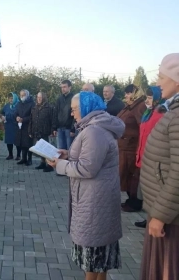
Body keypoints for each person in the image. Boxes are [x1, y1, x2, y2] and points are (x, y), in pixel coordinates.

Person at [47, 92, 124, 280]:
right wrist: (67, 155)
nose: (72, 114)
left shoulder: (94, 131)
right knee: (100, 260)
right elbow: (91, 158)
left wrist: (60, 165)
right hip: (99, 198)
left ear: (86, 108)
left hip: (94, 201)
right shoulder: (95, 126)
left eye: (74, 109)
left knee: (92, 259)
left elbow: (87, 169)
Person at [139, 53, 179, 280]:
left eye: (162, 77)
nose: (157, 83)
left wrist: (160, 215)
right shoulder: (172, 110)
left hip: (170, 220)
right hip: (165, 215)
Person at [133, 86, 166, 229]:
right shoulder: (148, 113)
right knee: (146, 190)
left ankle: (154, 219)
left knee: (153, 191)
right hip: (143, 155)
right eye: (146, 97)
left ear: (157, 98)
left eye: (150, 98)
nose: (147, 100)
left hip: (153, 158)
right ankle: (148, 217)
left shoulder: (162, 114)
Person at [117, 84, 146, 212]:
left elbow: (143, 127)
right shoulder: (130, 107)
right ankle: (130, 200)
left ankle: (135, 202)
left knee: (132, 176)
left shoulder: (140, 107)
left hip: (132, 147)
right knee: (126, 175)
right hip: (124, 146)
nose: (126, 96)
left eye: (128, 93)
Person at [28, 92, 54, 172]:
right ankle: (42, 163)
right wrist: (30, 131)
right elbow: (31, 120)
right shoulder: (34, 107)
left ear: (44, 98)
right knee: (41, 149)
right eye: (38, 97)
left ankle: (50, 165)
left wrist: (53, 130)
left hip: (46, 131)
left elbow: (53, 120)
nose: (39, 99)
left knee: (47, 150)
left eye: (41, 97)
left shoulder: (49, 107)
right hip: (36, 131)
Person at [53, 80, 75, 150]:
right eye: (61, 87)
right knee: (61, 151)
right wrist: (54, 127)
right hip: (60, 128)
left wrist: (73, 129)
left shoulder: (74, 98)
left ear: (70, 87)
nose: (63, 89)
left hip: (69, 129)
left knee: (70, 150)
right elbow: (55, 113)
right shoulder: (59, 99)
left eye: (65, 87)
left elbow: (75, 114)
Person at [14, 89, 35, 166]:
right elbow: (15, 113)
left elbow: (33, 116)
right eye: (21, 95)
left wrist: (24, 119)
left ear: (27, 95)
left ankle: (29, 159)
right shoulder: (19, 104)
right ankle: (23, 158)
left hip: (28, 126)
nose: (22, 97)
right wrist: (17, 117)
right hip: (20, 126)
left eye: (23, 95)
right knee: (22, 143)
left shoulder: (32, 104)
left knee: (28, 144)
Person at [1, 92, 21, 160]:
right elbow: (2, 113)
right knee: (9, 141)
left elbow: (21, 114)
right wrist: (2, 117)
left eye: (12, 98)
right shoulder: (6, 106)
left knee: (17, 141)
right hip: (8, 126)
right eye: (9, 98)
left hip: (16, 126)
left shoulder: (19, 105)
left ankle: (18, 155)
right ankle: (10, 154)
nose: (11, 100)